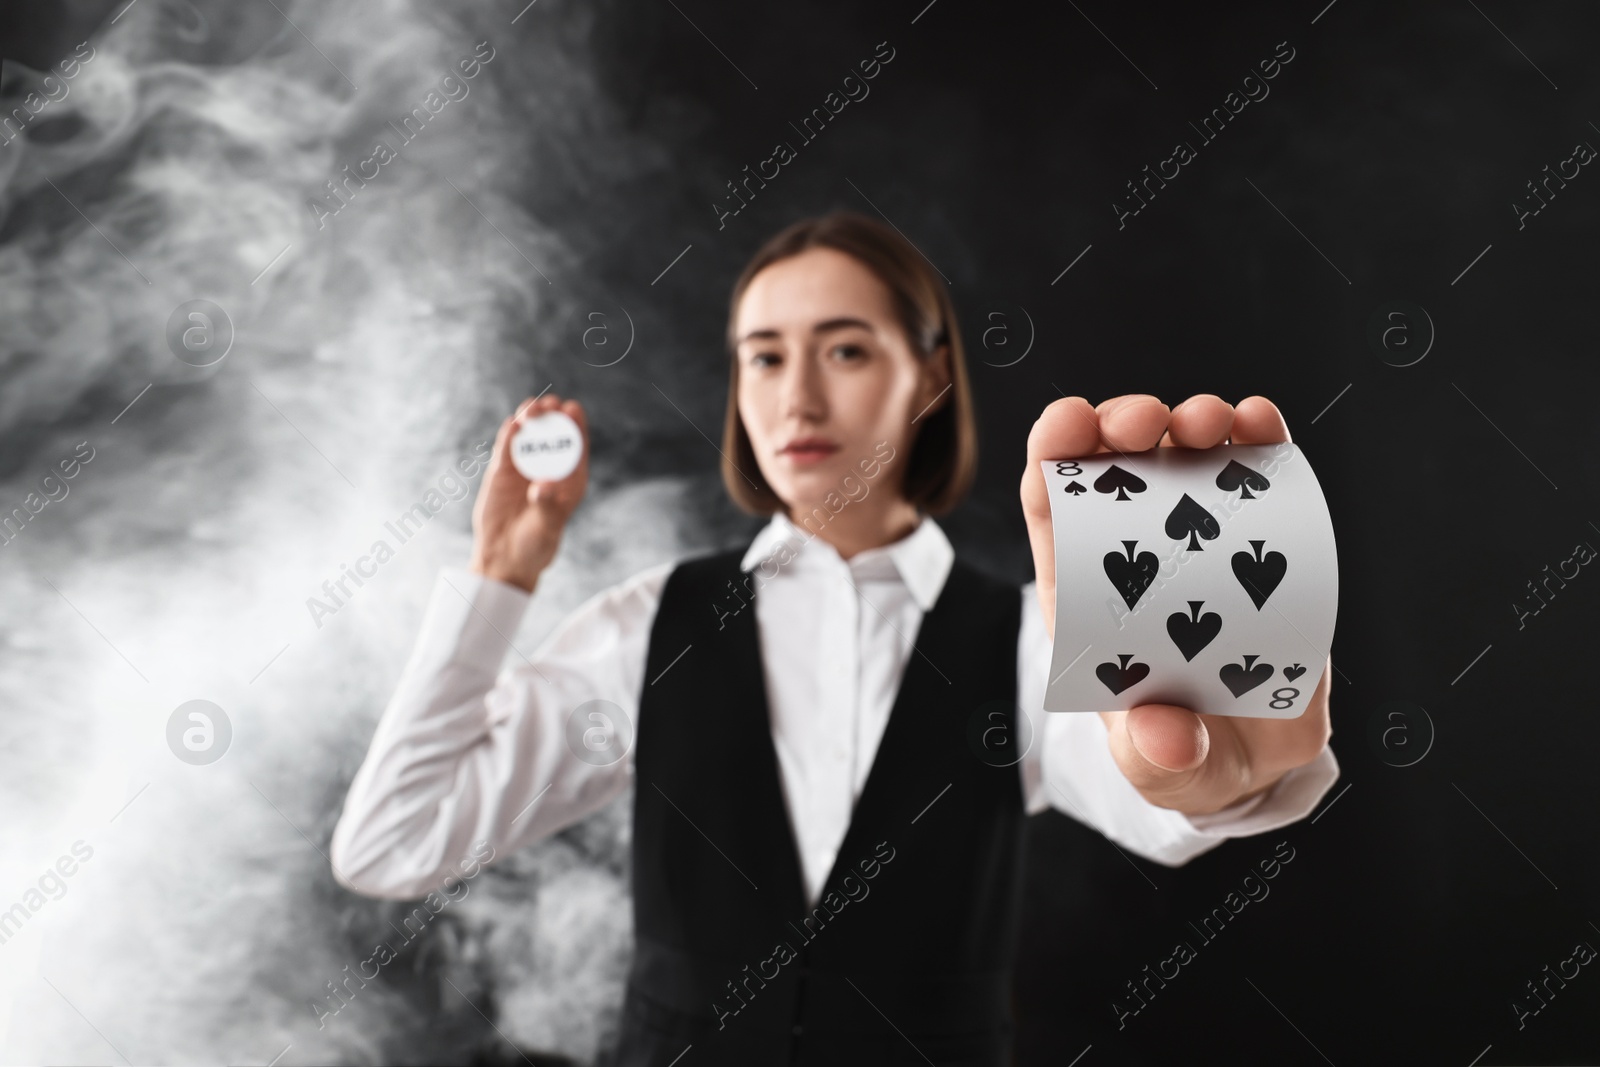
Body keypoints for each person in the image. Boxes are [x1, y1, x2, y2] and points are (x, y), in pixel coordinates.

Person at [330, 211, 1339, 1065]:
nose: (796, 395)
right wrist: (499, 576)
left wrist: (1221, 771)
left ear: (932, 375)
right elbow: (395, 838)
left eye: (845, 348)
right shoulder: (651, 625)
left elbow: (1154, 795)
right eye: (762, 356)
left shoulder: (1026, 636)